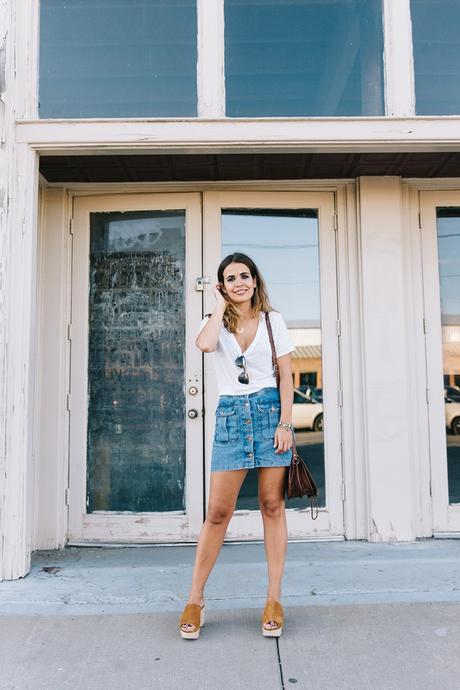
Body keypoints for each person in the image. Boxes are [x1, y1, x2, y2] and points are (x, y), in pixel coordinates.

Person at [179, 252, 295, 640]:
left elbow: (287, 378)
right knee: (217, 513)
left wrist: (285, 424)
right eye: (230, 279)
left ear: (255, 280)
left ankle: (273, 599)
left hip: (268, 413)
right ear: (222, 286)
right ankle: (195, 600)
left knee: (272, 505)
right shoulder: (215, 321)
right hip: (231, 417)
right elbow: (204, 345)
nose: (239, 282)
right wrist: (217, 306)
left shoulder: (272, 321)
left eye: (245, 276)